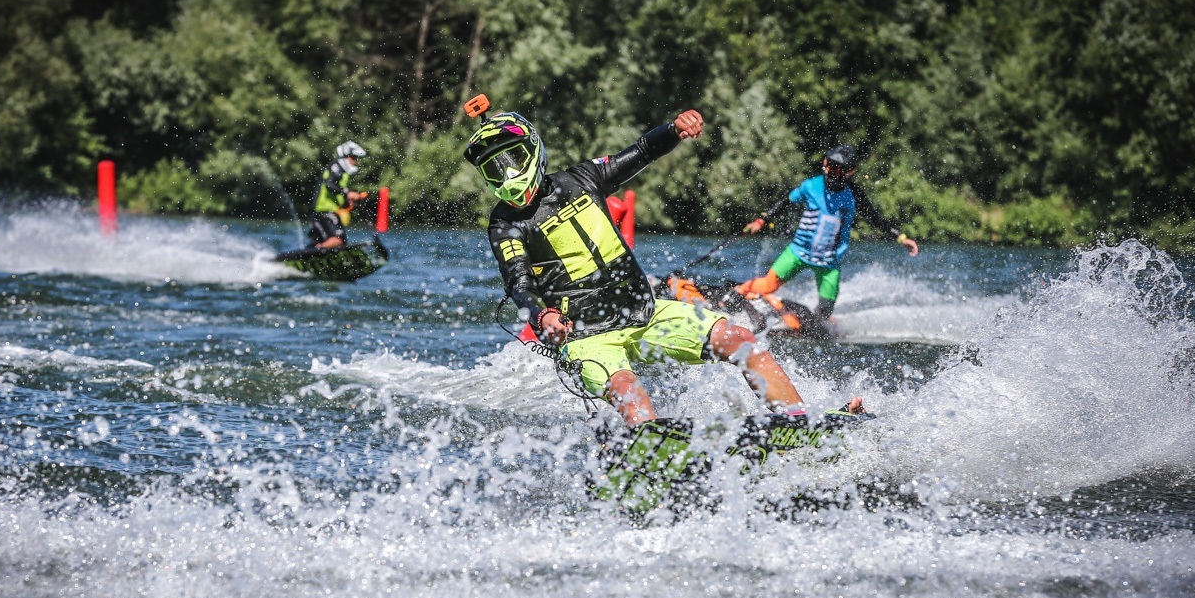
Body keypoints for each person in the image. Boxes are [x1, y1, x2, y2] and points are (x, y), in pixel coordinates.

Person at [464, 107, 859, 427]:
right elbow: (518, 282)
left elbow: (640, 151)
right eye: (494, 169)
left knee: (740, 338)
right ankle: (651, 449)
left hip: (645, 313)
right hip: (586, 337)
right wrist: (543, 314)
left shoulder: (582, 178)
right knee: (627, 387)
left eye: (511, 161)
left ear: (532, 150)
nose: (507, 175)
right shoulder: (504, 224)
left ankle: (798, 423)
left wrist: (673, 130)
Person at [736, 144, 919, 320]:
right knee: (768, 285)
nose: (834, 174)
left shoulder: (854, 194)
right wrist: (761, 221)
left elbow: (875, 218)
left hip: (829, 262)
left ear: (851, 172)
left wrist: (901, 237)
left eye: (840, 171)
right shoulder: (811, 186)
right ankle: (737, 293)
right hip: (798, 252)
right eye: (831, 168)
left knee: (826, 309)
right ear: (825, 163)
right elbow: (785, 202)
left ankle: (814, 323)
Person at [307, 141, 369, 249]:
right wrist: (347, 193)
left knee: (319, 243)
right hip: (324, 212)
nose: (355, 161)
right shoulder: (336, 166)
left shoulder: (341, 172)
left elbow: (336, 191)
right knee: (339, 240)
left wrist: (348, 202)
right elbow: (329, 184)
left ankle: (311, 254)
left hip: (326, 212)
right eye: (353, 157)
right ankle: (318, 251)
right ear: (345, 156)